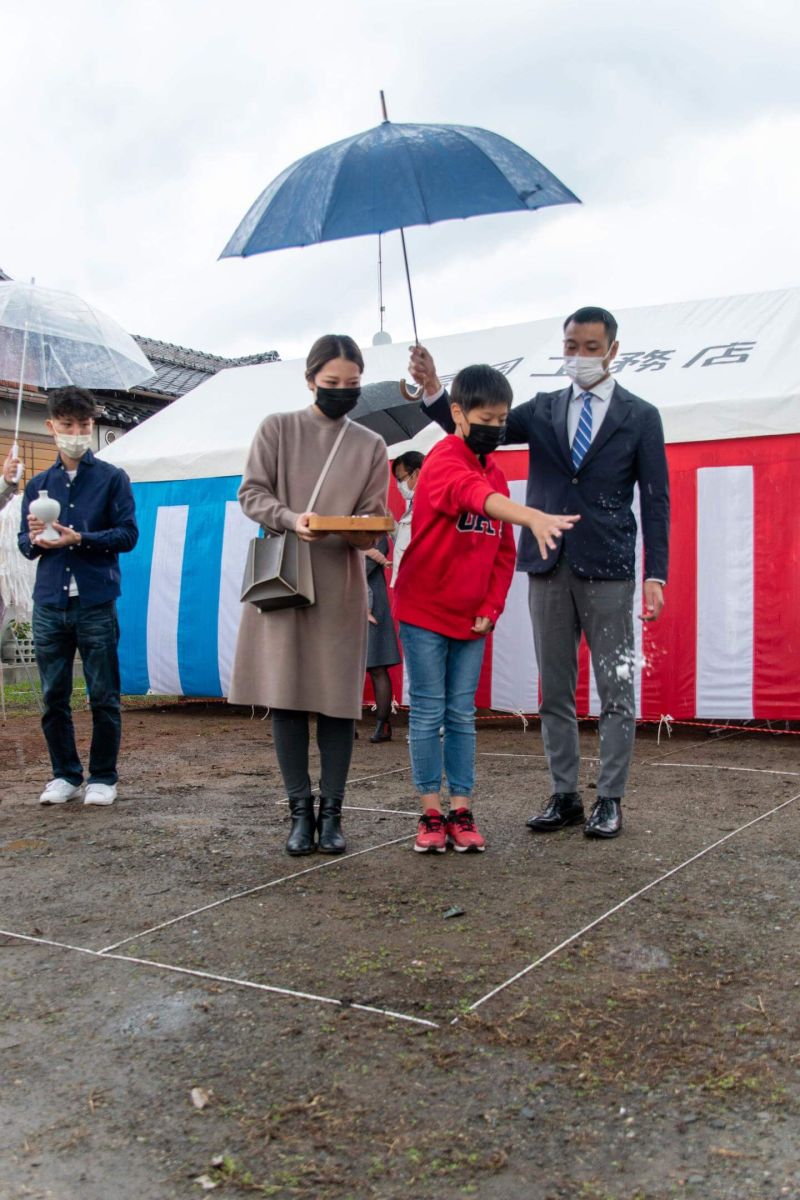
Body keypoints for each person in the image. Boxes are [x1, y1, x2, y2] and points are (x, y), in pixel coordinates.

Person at [408, 306, 670, 840]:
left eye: (591, 347)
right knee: (554, 687)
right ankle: (565, 794)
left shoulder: (641, 416)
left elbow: (656, 498)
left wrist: (656, 572)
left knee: (615, 687)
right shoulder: (544, 408)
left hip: (611, 568)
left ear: (613, 350)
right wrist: (436, 388)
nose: (579, 356)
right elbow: (476, 426)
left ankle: (611, 798)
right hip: (546, 566)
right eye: (571, 345)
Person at [394, 364, 578, 854]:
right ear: (457, 413)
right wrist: (531, 515)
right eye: (486, 418)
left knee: (461, 714)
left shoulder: (493, 468)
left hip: (472, 617)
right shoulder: (443, 459)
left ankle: (462, 809)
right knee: (428, 709)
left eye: (502, 419)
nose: (496, 428)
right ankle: (430, 812)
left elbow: (502, 553)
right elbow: (472, 497)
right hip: (423, 610)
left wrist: (492, 606)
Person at [228, 334, 389, 857]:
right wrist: (293, 519)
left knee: (338, 703)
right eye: (332, 383)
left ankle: (333, 814)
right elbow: (252, 493)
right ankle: (299, 812)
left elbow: (372, 517)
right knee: (288, 697)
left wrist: (364, 529)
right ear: (310, 379)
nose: (343, 392)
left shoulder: (371, 445)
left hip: (340, 583)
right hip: (284, 579)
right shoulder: (278, 427)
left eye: (352, 384)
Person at [18, 387, 138, 806]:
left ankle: (103, 776)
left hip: (96, 601)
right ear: (51, 427)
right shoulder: (38, 484)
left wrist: (80, 537)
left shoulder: (112, 478)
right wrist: (35, 538)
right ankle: (64, 774)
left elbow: (128, 535)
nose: (76, 433)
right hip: (50, 603)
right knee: (53, 695)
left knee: (103, 693)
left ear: (92, 425)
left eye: (84, 425)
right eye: (68, 425)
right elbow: (24, 544)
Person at [364, 533, 401, 742]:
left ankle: (383, 723)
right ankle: (345, 723)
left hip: (372, 603)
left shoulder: (379, 535)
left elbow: (364, 567)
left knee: (377, 666)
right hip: (347, 601)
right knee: (348, 669)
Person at [389, 451, 424, 589]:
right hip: (405, 586)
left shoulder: (429, 506)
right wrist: (391, 525)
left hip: (417, 587)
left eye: (400, 479)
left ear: (416, 473)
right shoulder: (413, 505)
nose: (398, 486)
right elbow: (406, 543)